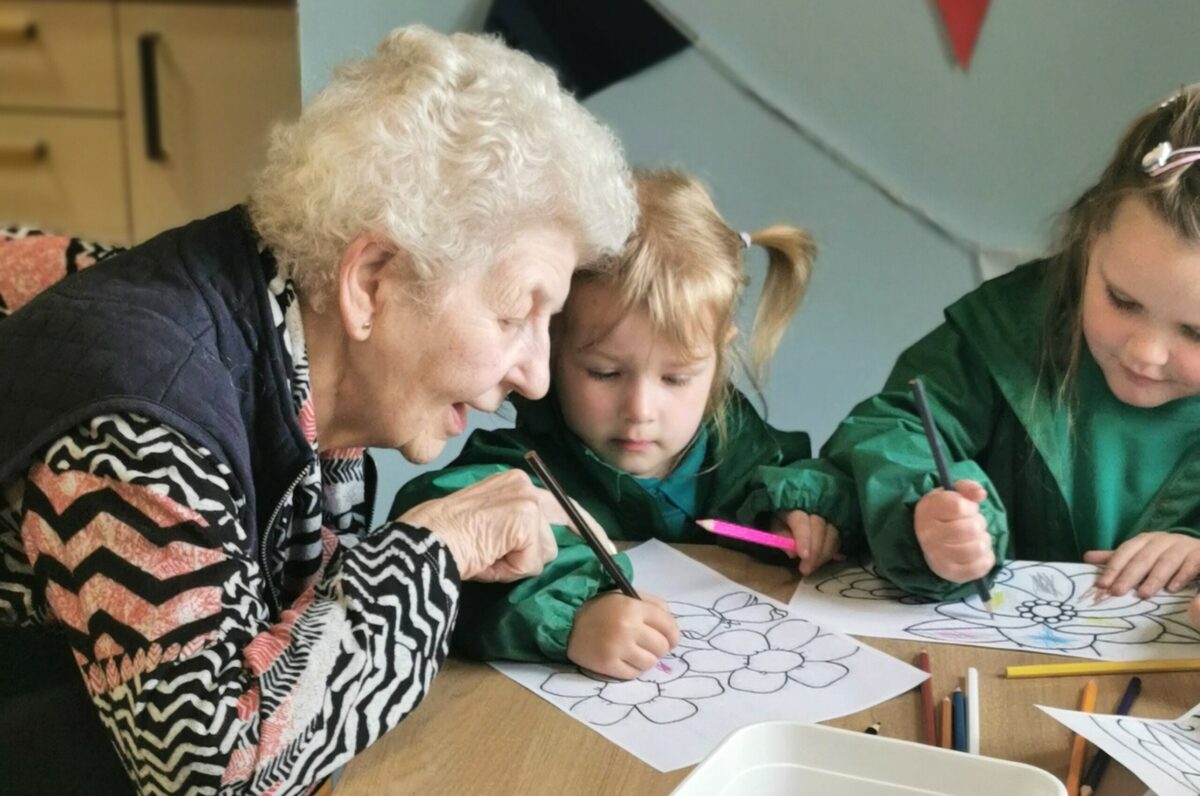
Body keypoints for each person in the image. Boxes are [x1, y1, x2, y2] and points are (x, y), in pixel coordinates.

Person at [0, 25, 637, 795]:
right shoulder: (142, 427)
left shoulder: (291, 340)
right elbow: (212, 775)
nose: (536, 376)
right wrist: (439, 547)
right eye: (513, 315)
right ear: (370, 279)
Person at [391, 167, 853, 680]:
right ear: (551, 345)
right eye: (605, 373)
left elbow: (798, 476)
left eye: (676, 378)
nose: (640, 409)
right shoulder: (516, 466)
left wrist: (794, 512)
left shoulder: (738, 443)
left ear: (718, 360)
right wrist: (573, 619)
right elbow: (432, 553)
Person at [785, 86, 1200, 607]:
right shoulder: (1011, 326)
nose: (1146, 352)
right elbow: (894, 429)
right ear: (1090, 236)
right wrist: (925, 509)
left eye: (1196, 333)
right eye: (1121, 299)